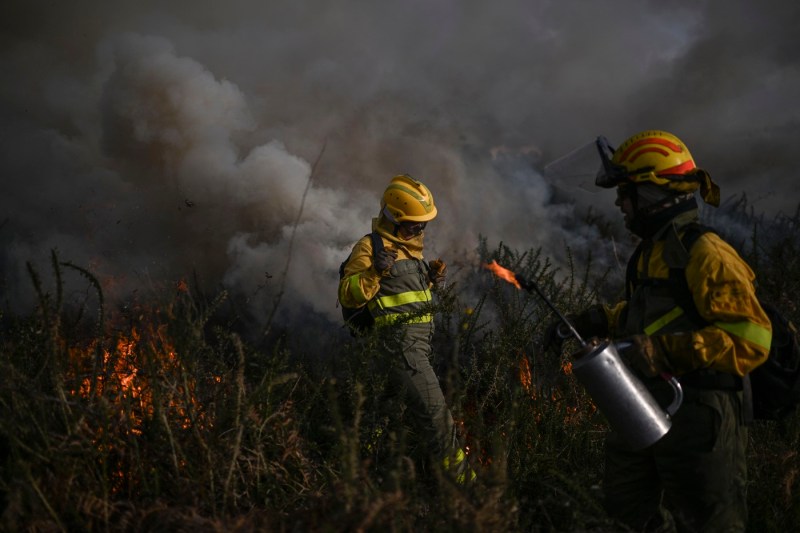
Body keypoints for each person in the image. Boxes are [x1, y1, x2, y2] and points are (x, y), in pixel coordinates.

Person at [546, 130, 772, 531]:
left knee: (709, 521)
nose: (620, 203)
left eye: (627, 192)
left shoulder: (708, 255)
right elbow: (652, 314)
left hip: (702, 416)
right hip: (647, 404)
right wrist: (599, 319)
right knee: (625, 513)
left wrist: (662, 353)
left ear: (653, 195)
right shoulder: (654, 252)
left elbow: (752, 339)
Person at [338, 174, 476, 484]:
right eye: (415, 224)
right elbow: (347, 294)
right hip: (401, 350)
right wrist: (375, 271)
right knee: (439, 421)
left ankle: (364, 481)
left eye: (423, 224)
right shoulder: (370, 248)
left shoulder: (409, 250)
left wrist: (430, 281)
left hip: (411, 349)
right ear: (393, 218)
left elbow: (401, 300)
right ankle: (470, 494)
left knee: (379, 419)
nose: (420, 230)